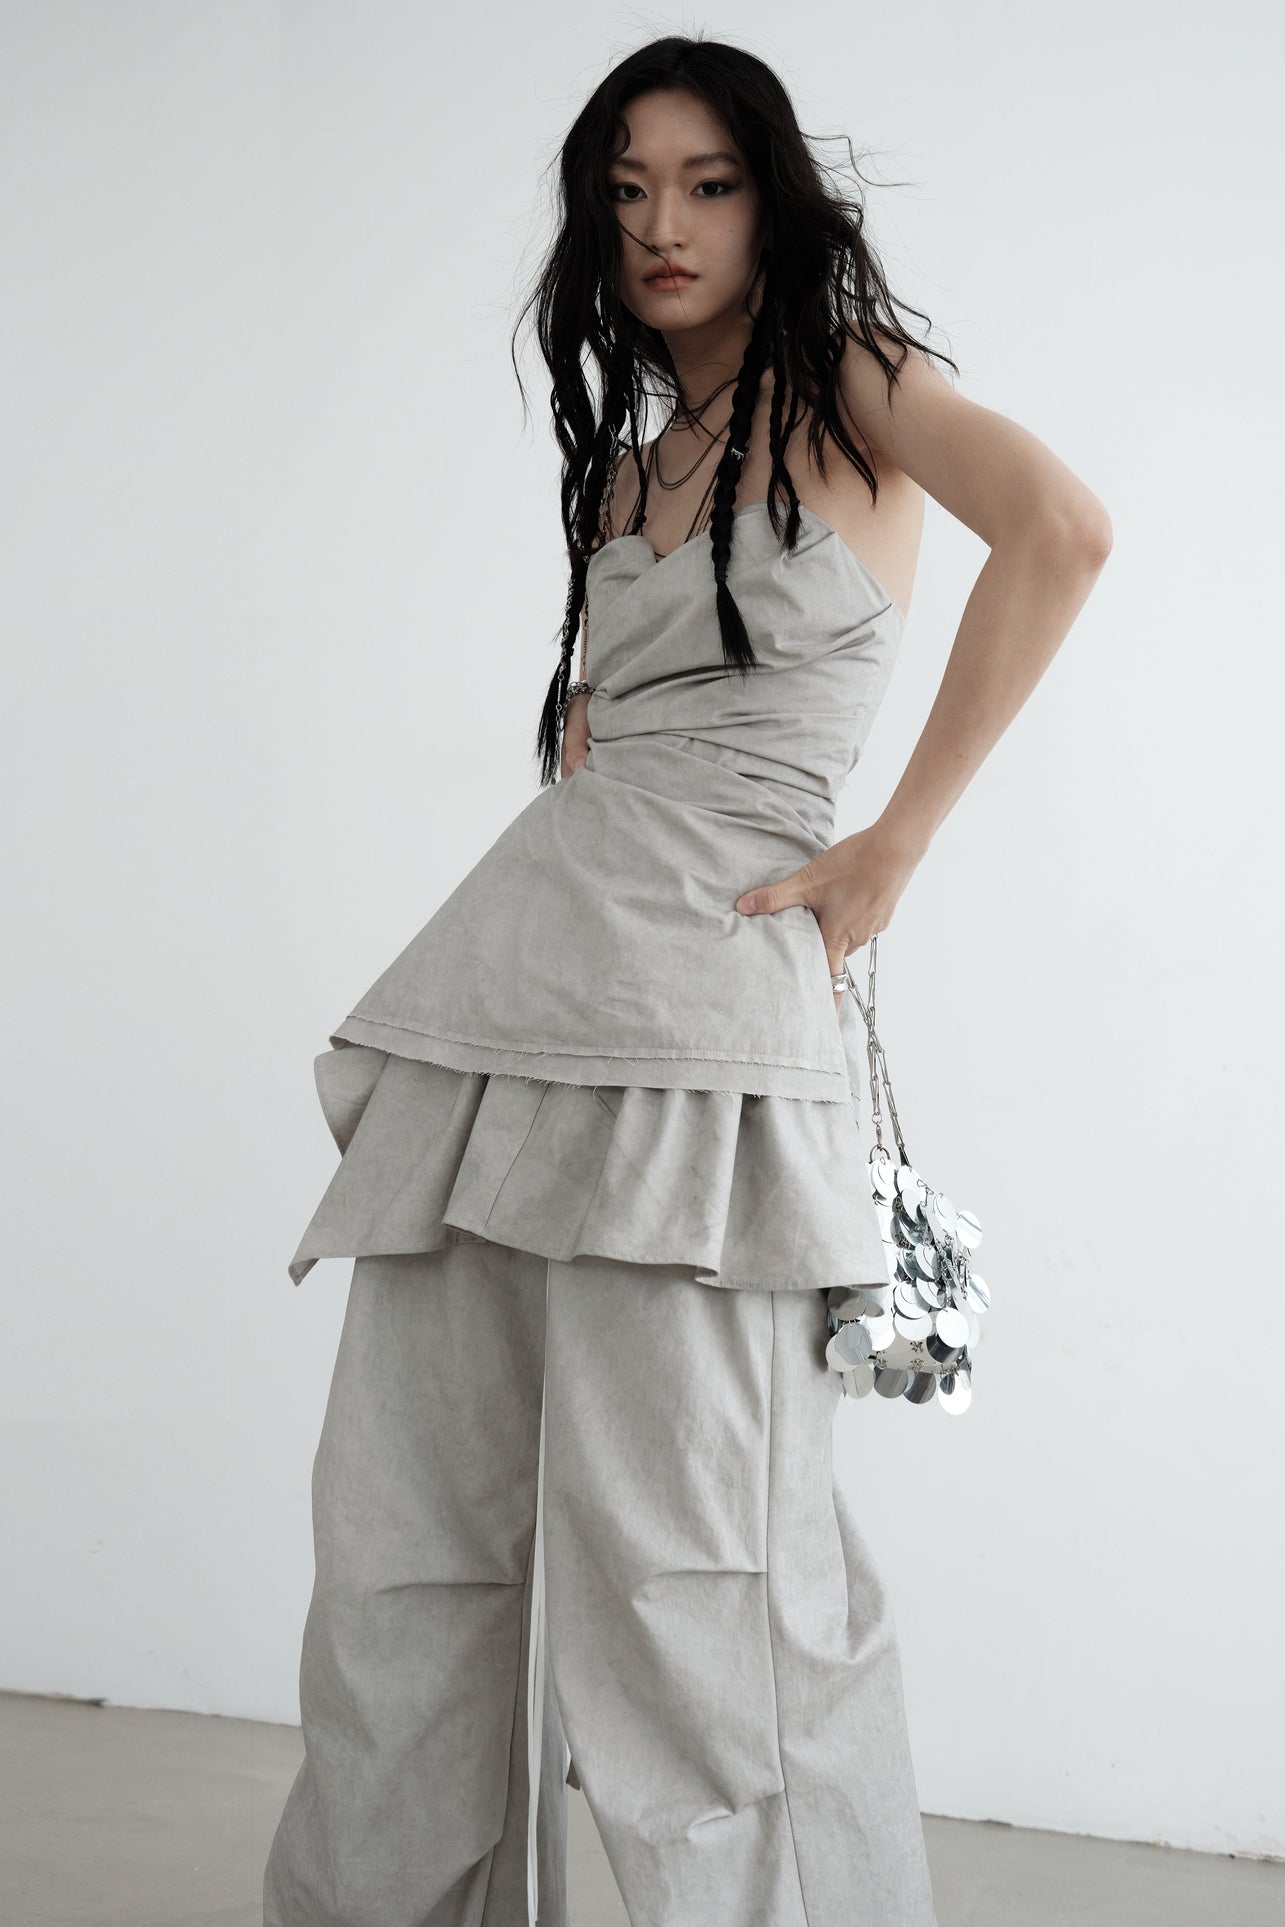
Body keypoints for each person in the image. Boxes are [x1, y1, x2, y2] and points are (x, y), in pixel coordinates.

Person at [262, 32, 1112, 1927]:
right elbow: (619, 740)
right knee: (406, 1551)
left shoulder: (850, 384)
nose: (664, 223)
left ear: (770, 201)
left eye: (708, 183)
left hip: (705, 1036)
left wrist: (897, 840)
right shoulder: (635, 462)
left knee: (693, 1574)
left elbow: (1062, 532)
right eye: (628, 187)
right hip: (505, 1005)